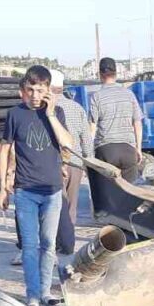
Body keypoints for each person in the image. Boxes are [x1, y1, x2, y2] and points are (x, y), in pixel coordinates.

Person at [0, 65, 74, 306]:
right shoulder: (15, 115)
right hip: (25, 190)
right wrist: (2, 186)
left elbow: (67, 143)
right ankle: (32, 295)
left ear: (48, 90)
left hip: (51, 190)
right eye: (30, 89)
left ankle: (45, 292)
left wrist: (50, 114)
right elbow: (4, 149)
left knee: (49, 243)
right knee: (29, 245)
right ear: (22, 91)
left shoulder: (57, 113)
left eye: (39, 90)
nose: (34, 95)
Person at [86, 57, 143, 233]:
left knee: (109, 192)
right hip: (128, 149)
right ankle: (131, 225)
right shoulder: (129, 94)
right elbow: (137, 123)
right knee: (131, 191)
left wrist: (88, 153)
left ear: (100, 73)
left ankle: (112, 227)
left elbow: (92, 127)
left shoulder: (96, 96)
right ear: (116, 73)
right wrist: (138, 148)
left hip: (106, 150)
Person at [50, 69, 93, 255]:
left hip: (53, 164)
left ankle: (55, 242)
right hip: (76, 163)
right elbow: (86, 139)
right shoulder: (77, 108)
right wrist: (88, 162)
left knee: (54, 206)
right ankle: (69, 242)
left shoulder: (46, 110)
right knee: (71, 206)